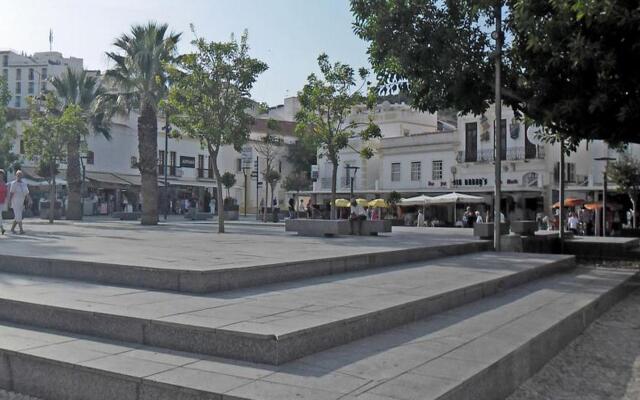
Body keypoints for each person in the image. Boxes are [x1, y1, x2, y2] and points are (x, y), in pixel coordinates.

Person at [8, 170, 31, 234]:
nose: (19, 176)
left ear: (22, 176)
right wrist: (9, 201)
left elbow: (27, 193)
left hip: (21, 202)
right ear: (16, 176)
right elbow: (11, 193)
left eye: (20, 175)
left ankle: (12, 229)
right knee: (19, 215)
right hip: (15, 202)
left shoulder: (24, 184)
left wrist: (30, 200)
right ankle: (21, 230)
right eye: (18, 175)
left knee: (17, 216)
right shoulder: (13, 183)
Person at [0, 170, 6, 234]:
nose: (1, 176)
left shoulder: (4, 183)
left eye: (2, 175)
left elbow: (5, 192)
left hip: (2, 201)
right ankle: (2, 228)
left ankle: (2, 228)